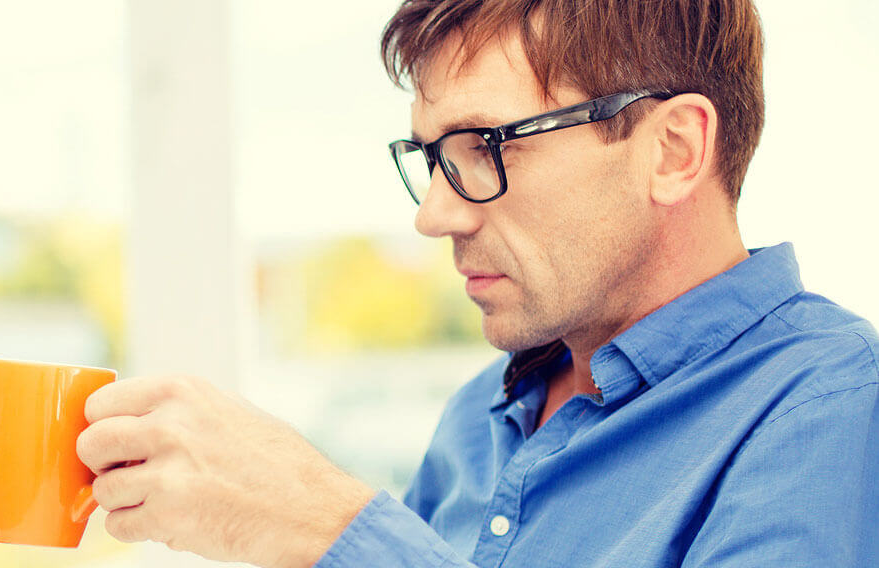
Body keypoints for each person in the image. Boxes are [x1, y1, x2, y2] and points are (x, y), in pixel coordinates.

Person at [74, 0, 879, 566]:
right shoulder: (478, 420)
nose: (434, 215)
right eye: (432, 158)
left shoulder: (834, 411)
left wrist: (325, 526)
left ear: (672, 150)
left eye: (486, 145)